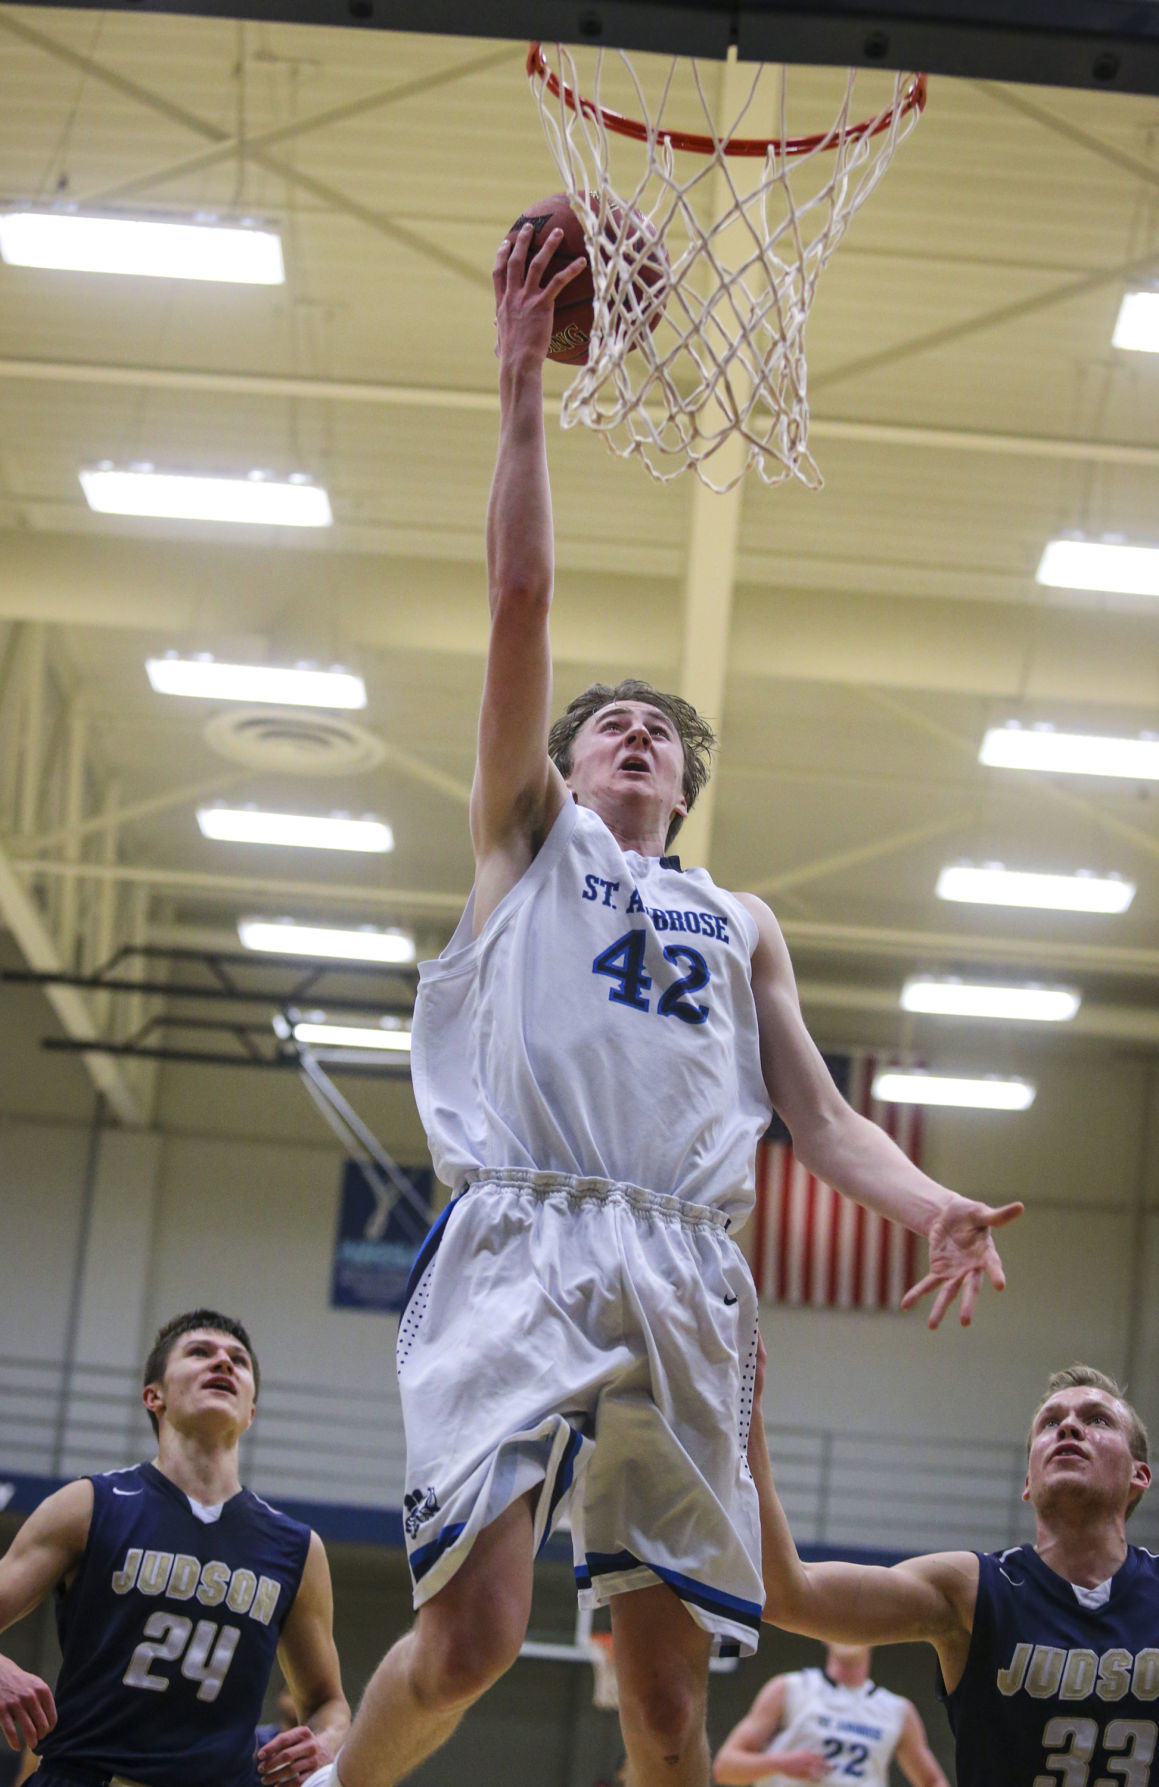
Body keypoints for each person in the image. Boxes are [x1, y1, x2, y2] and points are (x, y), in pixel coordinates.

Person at [317, 218, 1022, 1787]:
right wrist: (516, 393)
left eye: (657, 732)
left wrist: (927, 1202)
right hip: (529, 1233)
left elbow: (819, 1116)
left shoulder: (737, 915)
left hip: (689, 1266)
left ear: (684, 785)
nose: (631, 735)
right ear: (564, 767)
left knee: (660, 1710)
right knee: (475, 1635)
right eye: (607, 725)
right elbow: (518, 600)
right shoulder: (523, 842)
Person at [749, 1360, 1157, 1787]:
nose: (1068, 1428)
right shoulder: (972, 1588)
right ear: (1028, 1481)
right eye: (1050, 1422)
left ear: (1139, 1474)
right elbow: (786, 1594)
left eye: (1096, 1420)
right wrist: (748, 1408)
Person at [0, 1310, 349, 1787]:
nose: (223, 1363)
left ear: (251, 1412)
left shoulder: (296, 1547)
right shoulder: (88, 1505)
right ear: (154, 1396)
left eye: (238, 1361)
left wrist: (326, 1742)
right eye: (200, 1353)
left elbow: (328, 1701)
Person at [712, 1641, 949, 1786]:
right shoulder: (788, 1688)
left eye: (858, 1625)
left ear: (876, 1635)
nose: (848, 1632)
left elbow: (933, 1781)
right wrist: (780, 1763)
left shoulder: (898, 1710)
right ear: (822, 1633)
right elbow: (725, 1767)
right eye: (840, 1622)